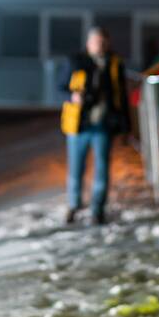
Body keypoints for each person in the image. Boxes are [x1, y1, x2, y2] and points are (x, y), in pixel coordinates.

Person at [61, 26, 130, 226]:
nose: (100, 46)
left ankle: (97, 209)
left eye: (103, 42)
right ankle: (73, 205)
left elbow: (121, 96)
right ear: (88, 43)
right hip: (79, 125)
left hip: (103, 124)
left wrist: (125, 125)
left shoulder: (115, 64)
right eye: (96, 42)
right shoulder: (76, 62)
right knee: (76, 168)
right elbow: (61, 86)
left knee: (102, 168)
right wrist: (72, 96)